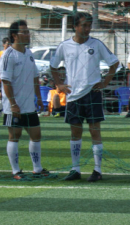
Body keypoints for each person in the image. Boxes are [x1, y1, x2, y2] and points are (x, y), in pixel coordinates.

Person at [50, 12, 119, 182]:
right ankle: (75, 169)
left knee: (95, 131)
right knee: (75, 133)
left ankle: (97, 170)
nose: (87, 29)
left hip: (92, 94)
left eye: (89, 25)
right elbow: (53, 66)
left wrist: (104, 83)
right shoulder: (64, 46)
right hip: (73, 96)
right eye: (84, 25)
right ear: (75, 26)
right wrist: (59, 84)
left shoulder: (96, 44)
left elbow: (114, 63)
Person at [0, 20, 48, 180]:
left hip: (29, 105)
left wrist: (39, 99)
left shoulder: (28, 53)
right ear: (14, 35)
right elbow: (5, 81)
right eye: (24, 32)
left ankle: (37, 168)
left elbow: (35, 77)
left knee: (36, 134)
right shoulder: (8, 55)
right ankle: (16, 171)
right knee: (15, 135)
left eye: (28, 31)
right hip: (13, 106)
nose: (28, 34)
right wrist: (13, 104)